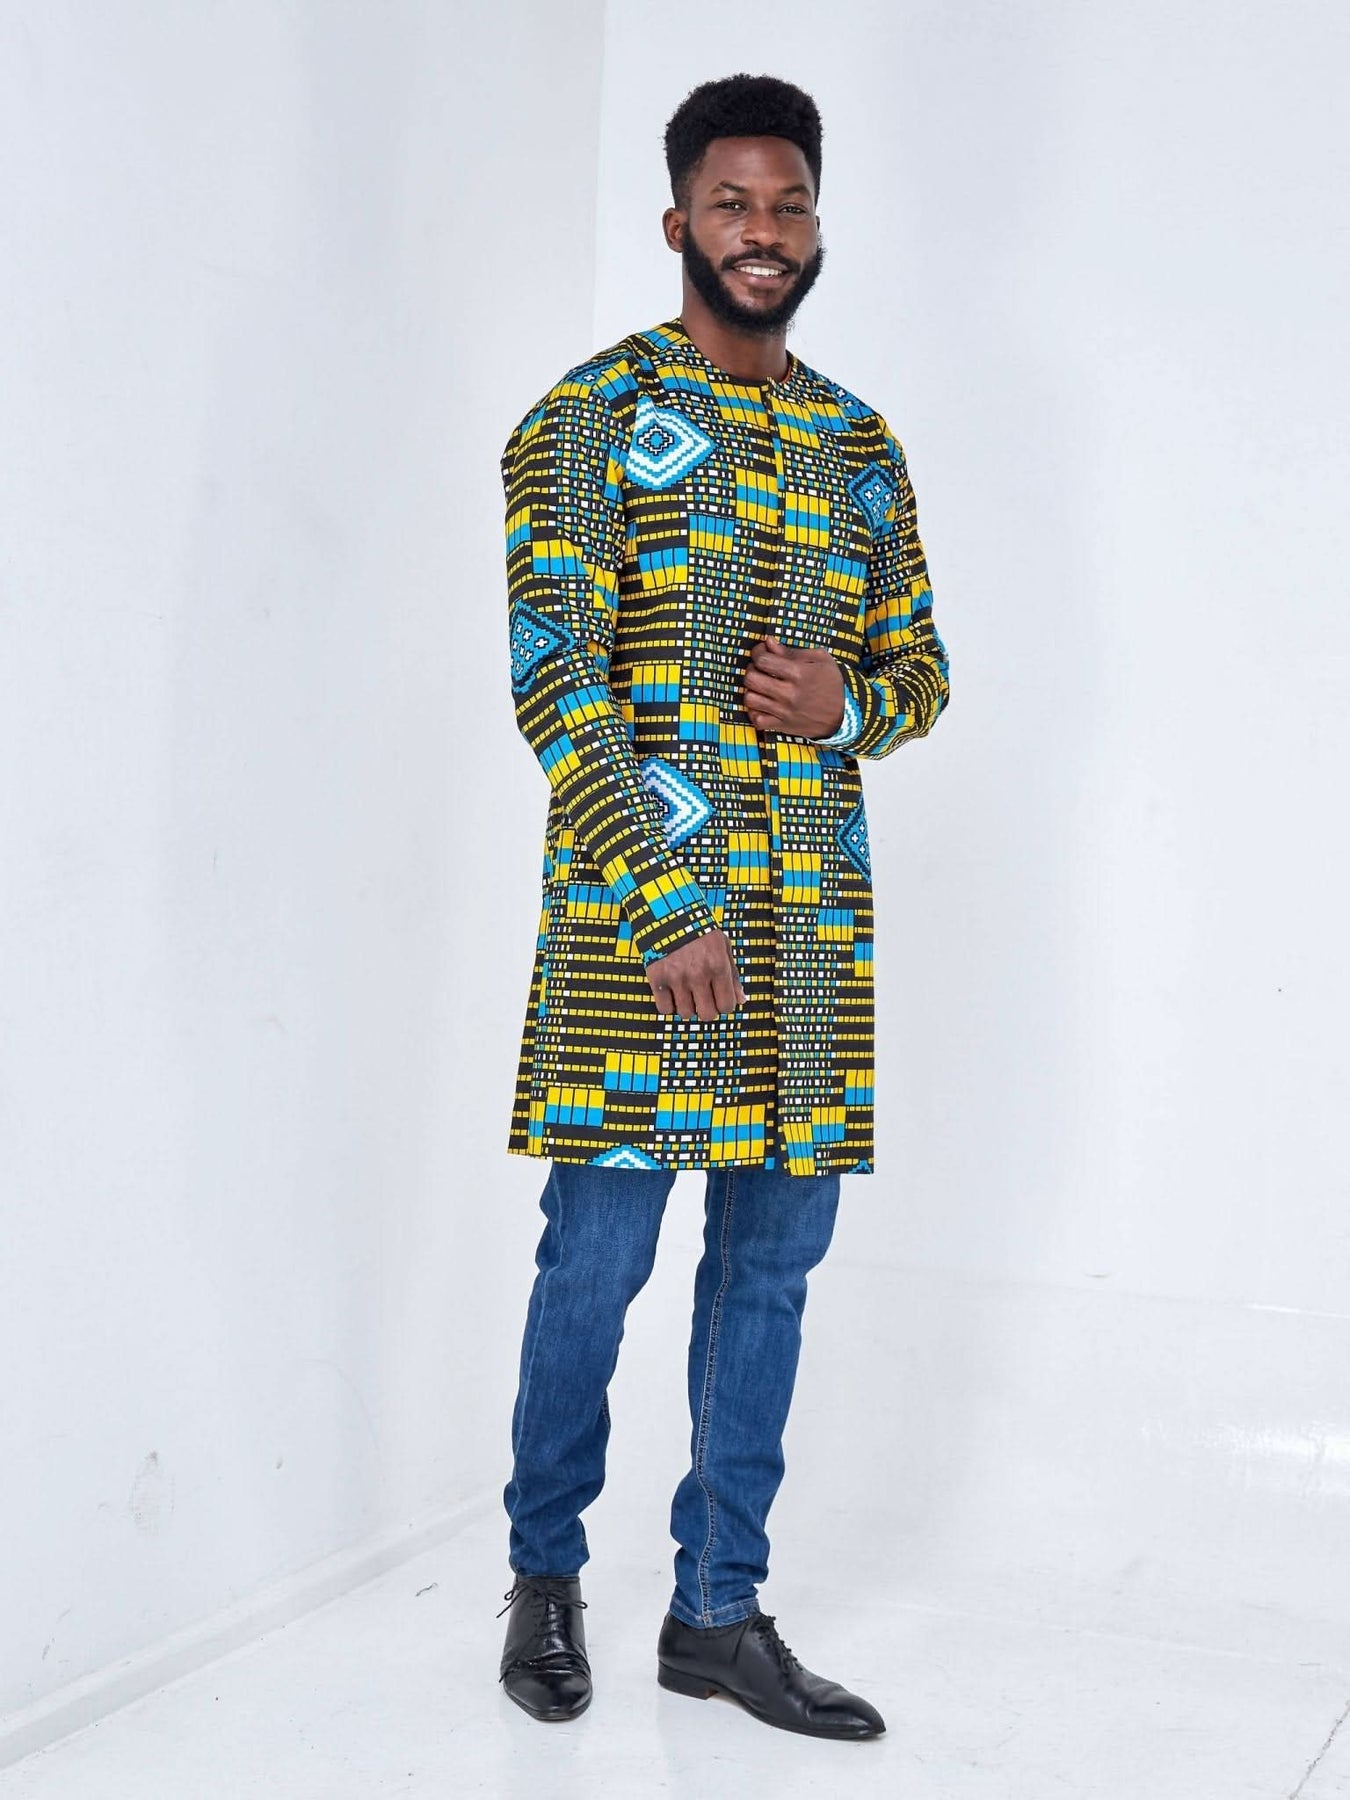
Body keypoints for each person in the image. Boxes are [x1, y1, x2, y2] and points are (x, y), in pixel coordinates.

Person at [496, 72, 949, 1740]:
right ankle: (543, 1576)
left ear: (815, 223)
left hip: (807, 944)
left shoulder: (858, 446)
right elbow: (555, 682)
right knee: (593, 1269)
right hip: (641, 941)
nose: (763, 232)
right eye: (732, 204)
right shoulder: (587, 420)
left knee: (768, 1280)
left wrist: (851, 705)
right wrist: (659, 899)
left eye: (789, 203)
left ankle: (716, 1613)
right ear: (677, 220)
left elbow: (921, 668)